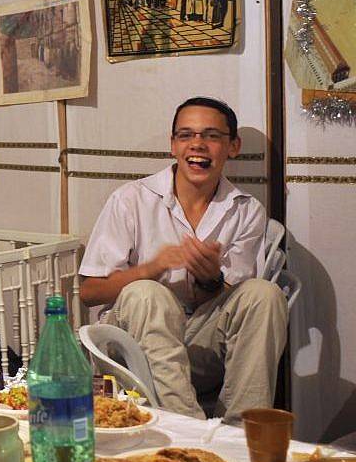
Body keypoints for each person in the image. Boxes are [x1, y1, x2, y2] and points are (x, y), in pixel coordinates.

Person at [78, 98, 286, 424]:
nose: (197, 145)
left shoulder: (246, 210)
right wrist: (152, 268)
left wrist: (210, 279)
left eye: (212, 136)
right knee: (149, 293)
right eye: (186, 135)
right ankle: (187, 431)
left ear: (232, 146)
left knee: (265, 294)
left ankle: (240, 434)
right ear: (173, 145)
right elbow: (89, 292)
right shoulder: (131, 199)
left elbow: (224, 300)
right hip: (131, 351)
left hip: (198, 347)